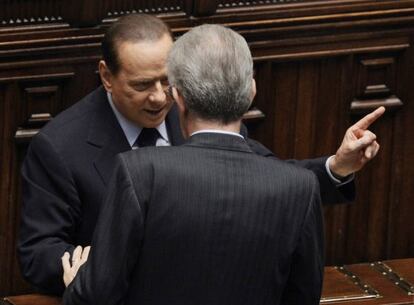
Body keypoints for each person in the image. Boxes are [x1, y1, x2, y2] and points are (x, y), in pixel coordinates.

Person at [18, 14, 383, 295]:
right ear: (106, 76)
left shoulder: (197, 110)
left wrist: (336, 168)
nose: (160, 97)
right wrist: (96, 270)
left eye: (166, 80)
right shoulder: (60, 146)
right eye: (142, 85)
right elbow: (39, 252)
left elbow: (268, 176)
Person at [62, 23, 325, 305]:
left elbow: (94, 298)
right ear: (251, 93)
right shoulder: (302, 186)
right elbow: (304, 296)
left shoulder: (139, 172)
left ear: (178, 98)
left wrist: (78, 283)